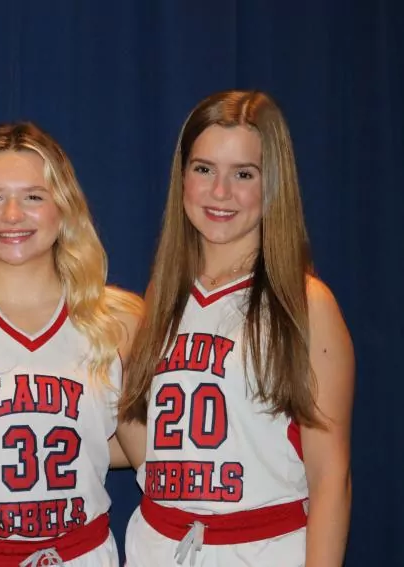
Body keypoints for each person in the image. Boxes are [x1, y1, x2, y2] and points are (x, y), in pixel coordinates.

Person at [119, 90, 354, 566]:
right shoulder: (161, 297)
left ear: (273, 184)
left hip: (263, 551)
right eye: (204, 169)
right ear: (182, 177)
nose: (220, 192)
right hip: (159, 546)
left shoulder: (305, 304)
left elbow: (331, 478)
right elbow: (152, 448)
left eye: (243, 174)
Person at [0, 122, 143, 566]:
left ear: (64, 209)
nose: (12, 215)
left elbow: (147, 450)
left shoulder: (120, 321)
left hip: (79, 555)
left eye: (34, 196)